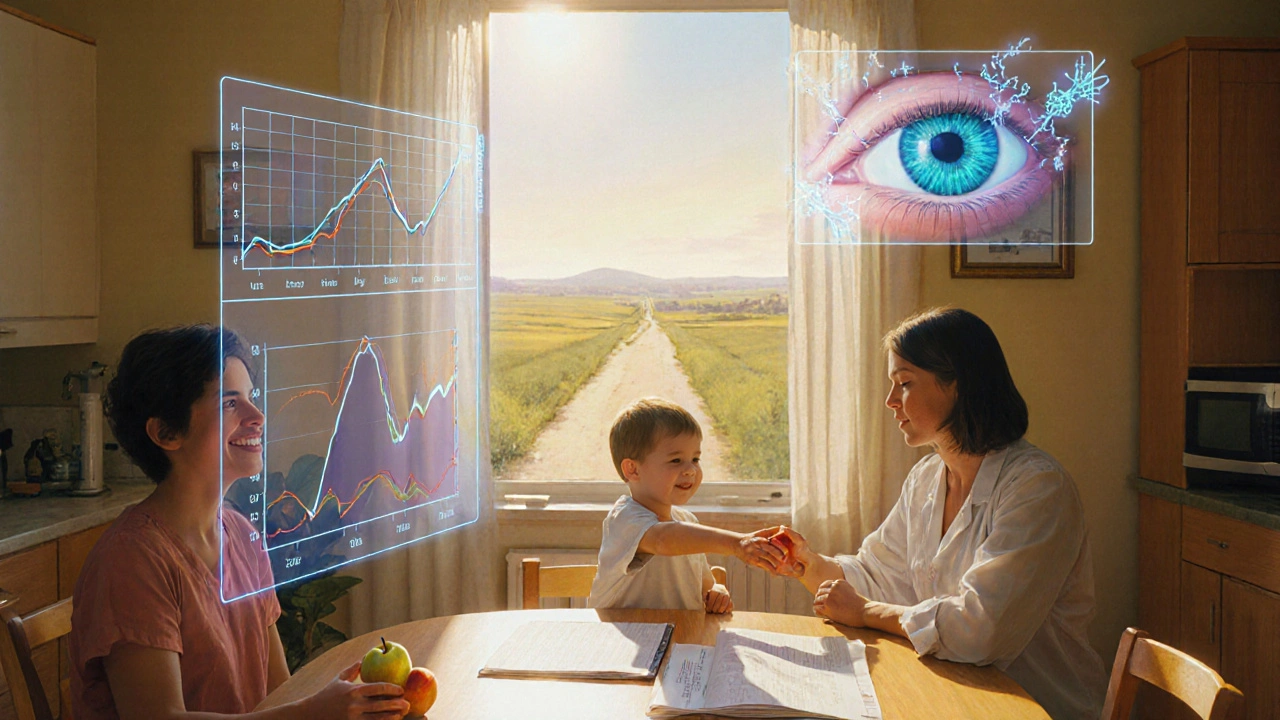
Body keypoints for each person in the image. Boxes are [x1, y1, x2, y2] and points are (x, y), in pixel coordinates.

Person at [772, 308, 1107, 720]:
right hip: (955, 698)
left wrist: (864, 612)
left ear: (958, 385)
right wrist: (806, 564)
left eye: (904, 383)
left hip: (1035, 708)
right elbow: (878, 575)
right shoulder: (927, 478)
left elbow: (980, 630)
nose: (890, 401)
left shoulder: (1038, 488)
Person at [69, 325, 410, 720]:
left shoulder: (243, 535)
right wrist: (311, 712)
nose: (258, 416)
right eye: (230, 403)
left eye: (251, 397)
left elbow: (278, 693)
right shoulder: (131, 561)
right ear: (166, 432)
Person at [587, 397, 784, 611]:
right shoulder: (624, 519)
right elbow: (662, 539)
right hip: (618, 631)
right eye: (676, 460)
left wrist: (716, 592)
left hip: (679, 631)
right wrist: (737, 543)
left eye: (695, 459)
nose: (690, 470)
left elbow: (707, 585)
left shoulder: (687, 522)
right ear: (633, 470)